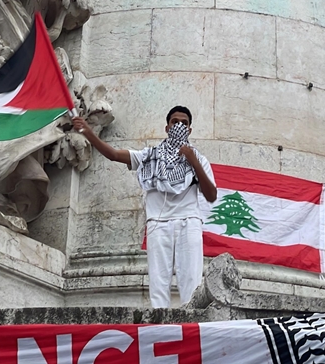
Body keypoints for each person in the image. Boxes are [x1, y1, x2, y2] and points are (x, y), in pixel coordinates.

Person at [72, 106, 217, 308]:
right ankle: (159, 328)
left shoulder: (199, 159)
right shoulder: (149, 156)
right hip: (158, 223)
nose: (179, 126)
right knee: (158, 284)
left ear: (190, 130)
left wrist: (193, 162)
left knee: (192, 283)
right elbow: (113, 154)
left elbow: (211, 195)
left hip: (188, 222)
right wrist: (87, 131)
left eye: (184, 123)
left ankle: (191, 328)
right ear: (167, 127)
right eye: (175, 122)